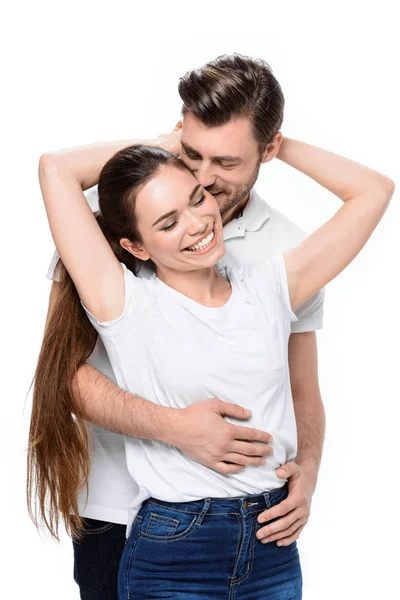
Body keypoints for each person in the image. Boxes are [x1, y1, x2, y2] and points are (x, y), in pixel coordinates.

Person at [32, 101, 393, 600]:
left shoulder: (269, 287)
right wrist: (165, 147)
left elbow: (374, 191)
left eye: (197, 197)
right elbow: (55, 168)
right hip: (174, 544)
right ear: (137, 248)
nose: (198, 223)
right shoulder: (126, 304)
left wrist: (275, 146)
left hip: (272, 541)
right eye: (167, 222)